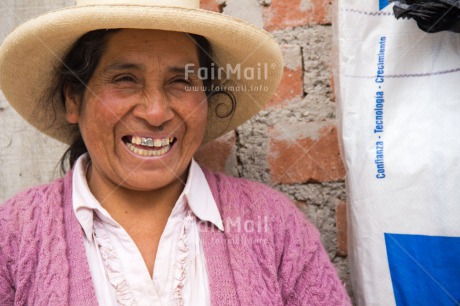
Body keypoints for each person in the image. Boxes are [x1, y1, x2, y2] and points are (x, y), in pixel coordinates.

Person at [0, 0, 351, 305]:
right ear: (73, 99)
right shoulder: (13, 236)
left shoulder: (275, 226)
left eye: (181, 82)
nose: (156, 113)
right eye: (125, 79)